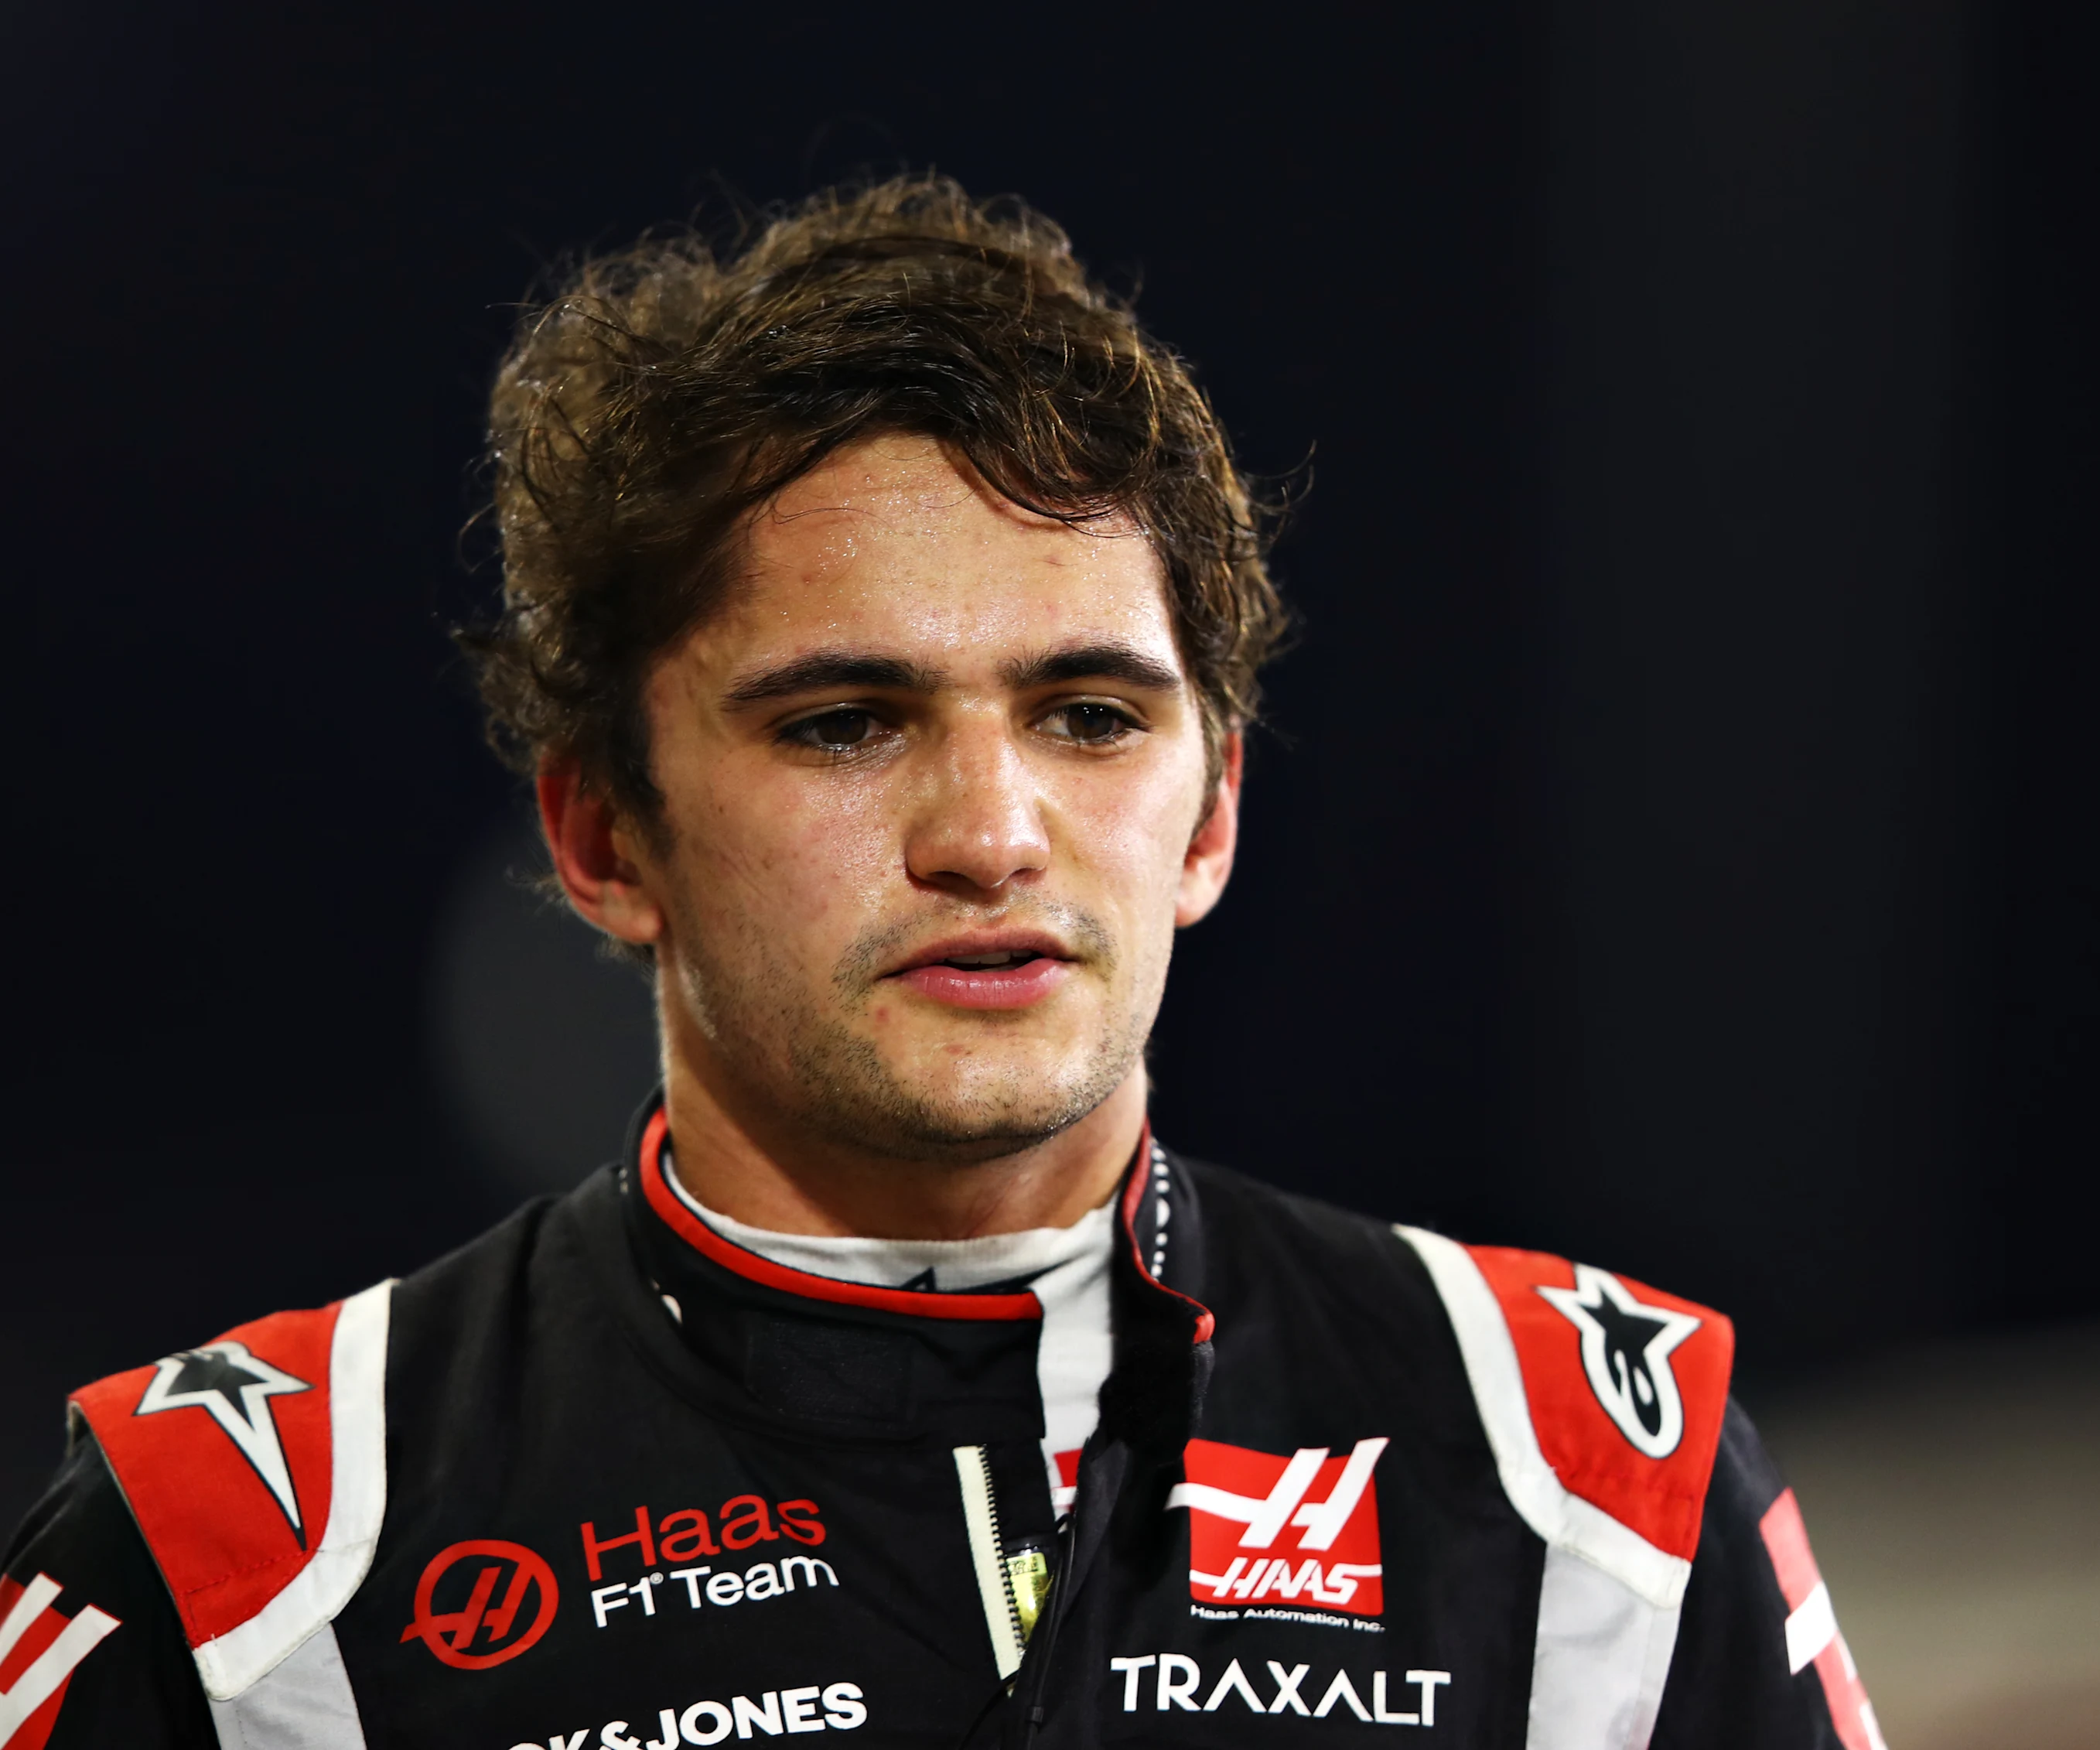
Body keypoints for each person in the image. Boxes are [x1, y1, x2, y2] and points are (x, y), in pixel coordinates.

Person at [0, 176, 1884, 1750]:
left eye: (1088, 716)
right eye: (843, 724)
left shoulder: (1588, 1481)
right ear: (603, 836)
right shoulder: (244, 1554)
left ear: (1210, 819)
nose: (989, 833)